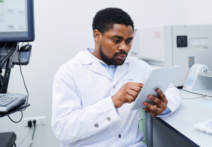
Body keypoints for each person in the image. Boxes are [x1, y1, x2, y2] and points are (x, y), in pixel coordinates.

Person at [51, 8, 180, 147]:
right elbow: (63, 130)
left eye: (128, 41)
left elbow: (172, 90)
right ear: (97, 36)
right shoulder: (69, 72)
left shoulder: (139, 66)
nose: (124, 47)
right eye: (117, 40)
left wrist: (163, 106)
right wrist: (112, 103)